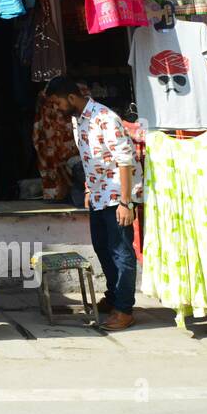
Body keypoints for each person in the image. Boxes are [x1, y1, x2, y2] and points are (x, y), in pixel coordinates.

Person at [43, 76, 140, 331]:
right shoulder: (79, 121)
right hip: (98, 196)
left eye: (57, 103)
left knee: (121, 252)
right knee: (102, 247)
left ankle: (124, 309)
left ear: (71, 98)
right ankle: (114, 295)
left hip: (117, 197)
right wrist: (88, 188)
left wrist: (126, 203)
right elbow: (90, 158)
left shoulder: (104, 118)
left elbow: (125, 161)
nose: (56, 109)